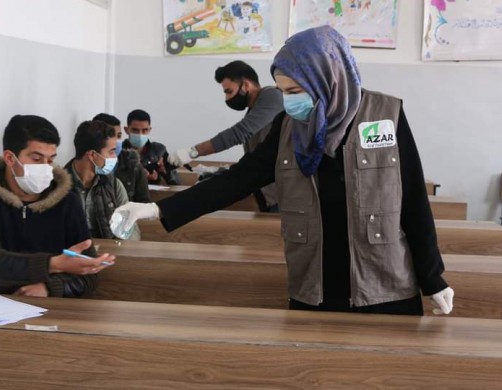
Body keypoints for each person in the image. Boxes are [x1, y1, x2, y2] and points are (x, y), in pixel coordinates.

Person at [113, 26, 454, 316]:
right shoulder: (288, 127)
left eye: (295, 91)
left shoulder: (385, 115)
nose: (289, 102)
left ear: (326, 79)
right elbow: (236, 180)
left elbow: (412, 201)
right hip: (315, 286)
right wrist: (157, 208)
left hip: (384, 286)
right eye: (284, 91)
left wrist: (433, 277)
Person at [0, 115, 115, 298]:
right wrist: (54, 264)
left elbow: (89, 277)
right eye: (36, 159)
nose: (45, 167)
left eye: (50, 160)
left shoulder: (67, 202)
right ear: (10, 158)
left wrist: (49, 288)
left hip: (50, 313)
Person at [167, 60, 283, 211]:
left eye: (229, 91)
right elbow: (254, 156)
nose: (227, 99)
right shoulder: (254, 110)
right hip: (266, 192)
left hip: (282, 193)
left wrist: (192, 152)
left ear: (246, 85)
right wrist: (224, 171)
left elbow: (238, 133)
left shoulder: (272, 96)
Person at [65, 120, 139, 240]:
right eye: (111, 152)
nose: (115, 157)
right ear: (92, 155)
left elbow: (131, 229)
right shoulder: (57, 187)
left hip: (109, 254)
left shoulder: (114, 185)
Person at [93, 113, 151, 203]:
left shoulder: (132, 164)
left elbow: (144, 203)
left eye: (119, 136)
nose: (116, 141)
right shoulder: (87, 165)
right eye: (111, 135)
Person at [123, 109, 180, 185]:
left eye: (145, 130)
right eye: (135, 130)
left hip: (154, 194)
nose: (140, 134)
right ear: (126, 130)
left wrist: (166, 171)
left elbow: (177, 183)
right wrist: (139, 176)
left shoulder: (159, 150)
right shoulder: (117, 151)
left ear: (149, 130)